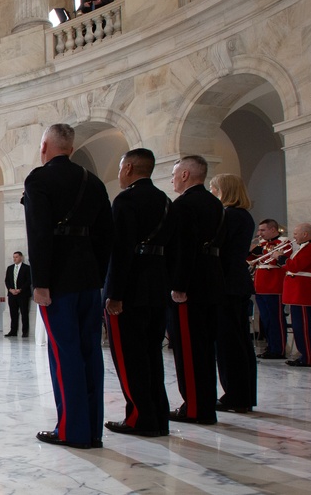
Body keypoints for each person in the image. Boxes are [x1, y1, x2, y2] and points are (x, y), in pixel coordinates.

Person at [24, 123, 112, 449]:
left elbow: (39, 233)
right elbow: (106, 235)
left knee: (65, 354)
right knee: (91, 353)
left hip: (58, 280)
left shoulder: (39, 179)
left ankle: (71, 431)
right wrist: (98, 277)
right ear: (71, 148)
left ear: (45, 145)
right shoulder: (94, 181)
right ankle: (92, 431)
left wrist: (40, 282)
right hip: (89, 280)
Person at [102, 148, 173, 438]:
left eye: (120, 168)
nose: (119, 174)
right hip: (158, 288)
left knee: (130, 357)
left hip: (130, 289)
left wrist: (114, 293)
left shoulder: (127, 200)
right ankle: (158, 416)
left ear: (129, 167)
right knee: (151, 355)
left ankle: (139, 418)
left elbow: (120, 251)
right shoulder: (165, 200)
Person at [168, 155, 224, 425]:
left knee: (188, 349)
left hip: (190, 285)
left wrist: (178, 285)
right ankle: (204, 403)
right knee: (204, 348)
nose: (172, 178)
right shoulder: (215, 203)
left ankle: (195, 408)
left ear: (186, 175)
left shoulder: (184, 205)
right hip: (211, 280)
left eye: (175, 173)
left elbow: (184, 249)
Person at [209, 174, 257, 413]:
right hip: (238, 281)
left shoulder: (228, 216)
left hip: (226, 283)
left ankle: (235, 395)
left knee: (229, 343)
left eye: (213, 189)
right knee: (241, 341)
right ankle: (245, 393)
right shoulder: (244, 216)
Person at [280, 222, 311, 367]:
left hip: (303, 292)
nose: (294, 236)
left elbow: (295, 266)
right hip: (297, 293)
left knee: (304, 327)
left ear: (305, 234)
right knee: (298, 327)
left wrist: (280, 257)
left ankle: (310, 358)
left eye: (296, 233)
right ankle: (304, 355)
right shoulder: (304, 248)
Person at [250, 219, 290, 359]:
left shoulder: (283, 243)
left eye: (262, 230)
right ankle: (270, 346)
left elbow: (276, 261)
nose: (259, 233)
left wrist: (259, 249)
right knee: (266, 319)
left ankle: (278, 349)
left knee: (276, 319)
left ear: (273, 230)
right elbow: (249, 258)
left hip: (274, 287)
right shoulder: (263, 244)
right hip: (260, 287)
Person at [4, 251, 32, 337]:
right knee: (13, 313)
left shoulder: (26, 268)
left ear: (21, 257)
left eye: (16, 257)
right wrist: (10, 289)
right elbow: (7, 280)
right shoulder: (10, 268)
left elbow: (29, 281)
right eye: (13, 257)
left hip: (23, 294)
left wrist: (20, 289)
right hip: (12, 294)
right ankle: (13, 331)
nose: (14, 259)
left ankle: (25, 331)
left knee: (24, 313)